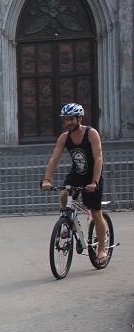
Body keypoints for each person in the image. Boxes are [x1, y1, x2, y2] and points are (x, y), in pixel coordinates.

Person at [41, 102, 107, 262]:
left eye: (71, 119)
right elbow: (54, 159)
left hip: (93, 175)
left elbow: (98, 159)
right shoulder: (64, 138)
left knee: (96, 213)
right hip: (77, 173)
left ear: (80, 118)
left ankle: (102, 249)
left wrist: (94, 182)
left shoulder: (91, 134)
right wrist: (47, 179)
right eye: (66, 119)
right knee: (64, 195)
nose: (69, 122)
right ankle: (69, 222)